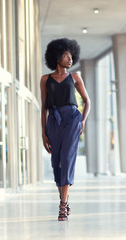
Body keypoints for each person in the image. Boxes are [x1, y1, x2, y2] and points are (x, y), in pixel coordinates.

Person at [40, 38, 90, 221]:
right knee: (57, 163)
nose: (69, 59)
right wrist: (43, 133)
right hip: (53, 121)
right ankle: (65, 199)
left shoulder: (75, 77)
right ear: (56, 56)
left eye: (71, 55)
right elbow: (44, 108)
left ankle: (62, 205)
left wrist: (82, 121)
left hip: (72, 120)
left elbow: (87, 101)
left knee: (67, 160)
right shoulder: (45, 79)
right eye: (65, 55)